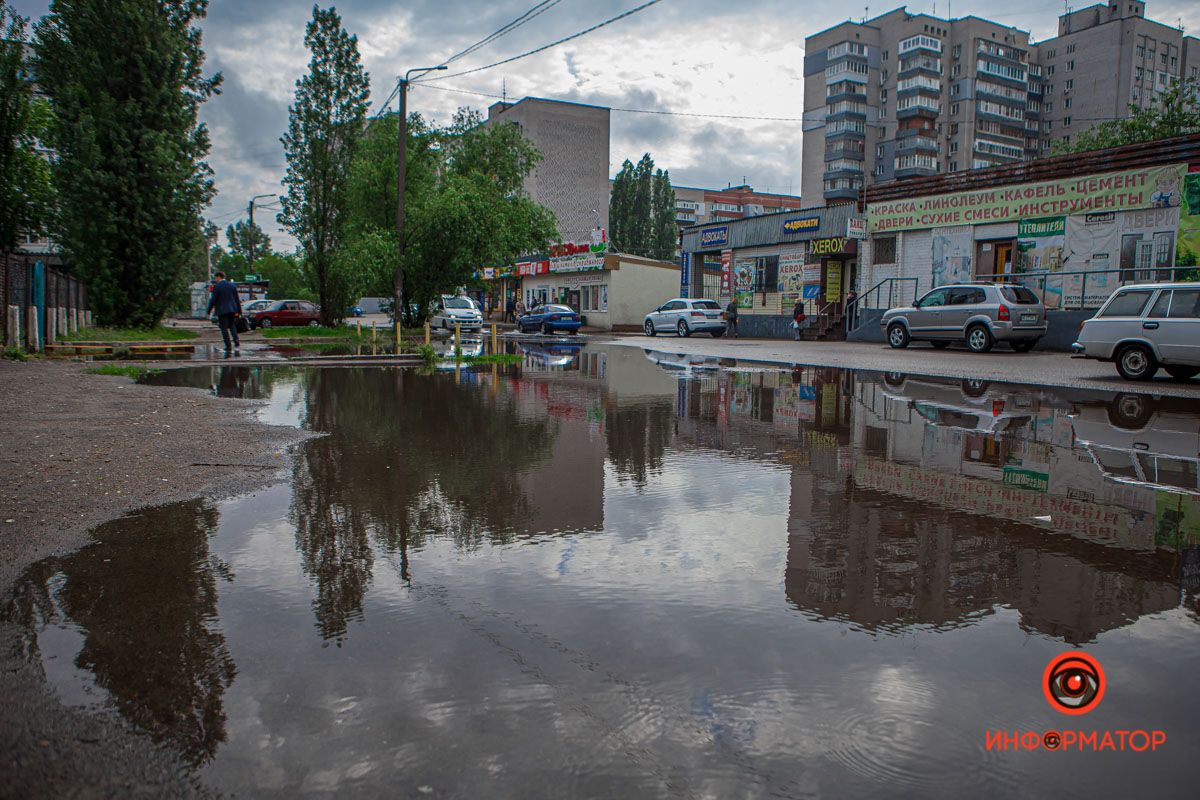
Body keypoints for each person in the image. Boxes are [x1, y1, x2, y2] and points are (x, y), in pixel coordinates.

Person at [206, 271, 242, 354]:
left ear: (219, 277)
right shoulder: (232, 285)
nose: (215, 279)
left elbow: (213, 300)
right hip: (232, 310)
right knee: (232, 325)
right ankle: (236, 341)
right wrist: (239, 311)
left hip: (222, 310)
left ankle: (228, 345)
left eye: (215, 278)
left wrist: (209, 310)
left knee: (224, 328)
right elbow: (237, 299)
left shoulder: (217, 286)